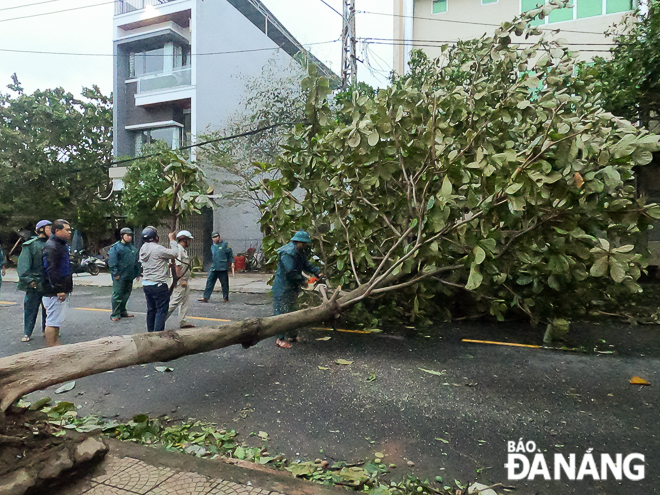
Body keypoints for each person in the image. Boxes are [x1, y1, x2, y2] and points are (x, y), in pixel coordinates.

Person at [272, 230, 321, 349]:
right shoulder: (288, 253)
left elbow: (306, 264)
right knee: (281, 313)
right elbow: (290, 272)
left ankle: (292, 335)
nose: (306, 245)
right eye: (304, 243)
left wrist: (317, 272)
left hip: (292, 287)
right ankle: (280, 339)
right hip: (283, 287)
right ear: (299, 242)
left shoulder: (299, 252)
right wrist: (303, 282)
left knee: (292, 310)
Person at [139, 226, 178, 332]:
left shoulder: (143, 249)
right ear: (155, 237)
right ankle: (158, 335)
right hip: (158, 284)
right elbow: (175, 254)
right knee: (161, 310)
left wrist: (165, 266)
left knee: (151, 310)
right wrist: (172, 240)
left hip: (147, 284)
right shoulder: (158, 248)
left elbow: (155, 262)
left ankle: (150, 333)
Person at [17, 220, 51, 342]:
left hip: (48, 282)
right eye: (48, 228)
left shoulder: (52, 244)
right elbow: (23, 265)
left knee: (49, 308)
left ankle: (48, 330)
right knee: (31, 308)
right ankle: (27, 332)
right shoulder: (30, 245)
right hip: (35, 282)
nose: (51, 230)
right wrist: (29, 280)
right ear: (41, 229)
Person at [42, 219, 73, 347]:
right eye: (67, 230)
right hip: (53, 290)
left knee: (57, 320)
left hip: (59, 288)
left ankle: (55, 343)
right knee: (52, 320)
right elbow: (51, 269)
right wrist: (59, 289)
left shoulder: (60, 245)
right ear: (57, 231)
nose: (69, 232)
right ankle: (51, 347)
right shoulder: (52, 246)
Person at [108, 227, 141, 322]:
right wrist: (115, 273)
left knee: (126, 294)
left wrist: (138, 273)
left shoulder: (132, 248)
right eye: (127, 235)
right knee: (118, 294)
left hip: (129, 275)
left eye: (131, 235)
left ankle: (123, 311)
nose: (129, 237)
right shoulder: (116, 247)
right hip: (120, 275)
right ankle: (115, 314)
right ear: (122, 236)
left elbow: (136, 262)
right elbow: (112, 262)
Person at [166, 230, 196, 329]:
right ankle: (160, 319)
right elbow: (177, 266)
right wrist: (181, 279)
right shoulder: (178, 249)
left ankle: (183, 321)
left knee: (185, 301)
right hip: (179, 280)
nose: (190, 242)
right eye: (189, 240)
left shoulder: (183, 250)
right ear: (184, 240)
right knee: (175, 301)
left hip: (184, 280)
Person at [199, 231, 234, 303]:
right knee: (209, 282)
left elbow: (230, 254)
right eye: (213, 238)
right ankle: (206, 297)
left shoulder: (225, 245)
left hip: (222, 267)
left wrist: (232, 262)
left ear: (219, 237)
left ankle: (225, 297)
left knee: (224, 284)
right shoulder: (213, 246)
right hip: (214, 267)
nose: (214, 239)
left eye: (216, 237)